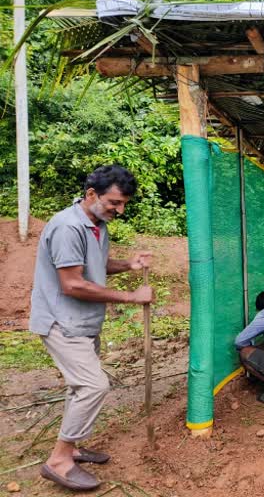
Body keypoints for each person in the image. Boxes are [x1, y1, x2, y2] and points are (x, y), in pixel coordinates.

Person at [29, 165, 154, 492]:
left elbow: (92, 266)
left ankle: (72, 447)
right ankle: (58, 461)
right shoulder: (68, 227)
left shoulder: (97, 224)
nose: (120, 210)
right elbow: (72, 283)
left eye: (124, 203)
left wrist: (129, 264)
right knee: (93, 386)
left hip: (83, 322)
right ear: (91, 195)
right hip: (62, 322)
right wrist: (131, 296)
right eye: (114, 202)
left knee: (78, 387)